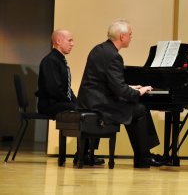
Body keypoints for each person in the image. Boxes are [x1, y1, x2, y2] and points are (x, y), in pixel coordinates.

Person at [77, 19, 165, 168]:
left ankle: (143, 156)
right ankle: (144, 157)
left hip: (89, 99)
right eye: (130, 34)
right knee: (140, 109)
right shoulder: (114, 56)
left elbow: (106, 82)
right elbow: (120, 90)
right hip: (100, 104)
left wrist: (130, 87)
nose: (132, 37)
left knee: (133, 106)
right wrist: (139, 91)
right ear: (122, 37)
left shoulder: (99, 49)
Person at [36, 29, 104, 166]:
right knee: (89, 113)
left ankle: (85, 153)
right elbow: (54, 89)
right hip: (50, 104)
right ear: (58, 41)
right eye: (70, 40)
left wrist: (77, 102)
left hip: (59, 101)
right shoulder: (50, 61)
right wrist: (74, 105)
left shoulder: (59, 60)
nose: (73, 44)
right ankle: (83, 154)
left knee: (91, 110)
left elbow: (66, 88)